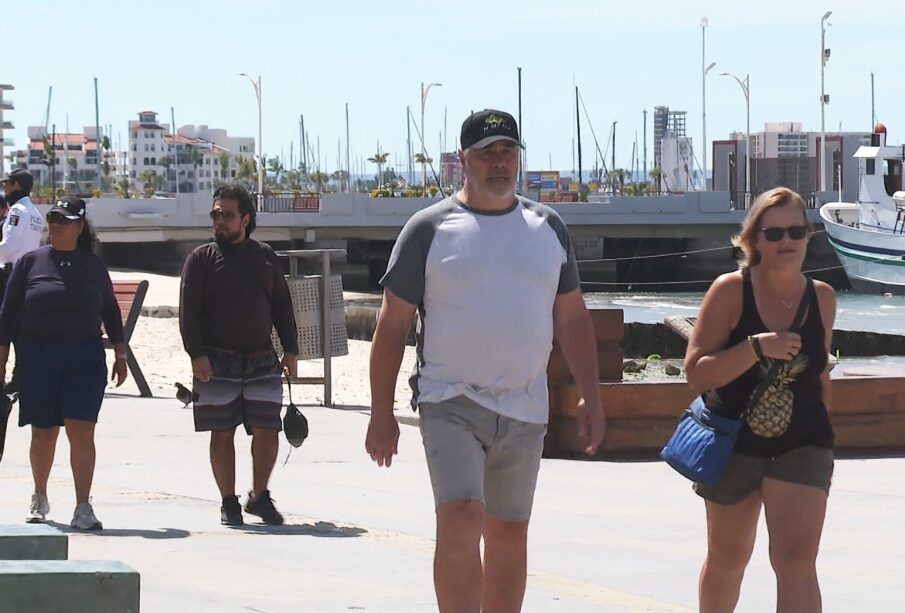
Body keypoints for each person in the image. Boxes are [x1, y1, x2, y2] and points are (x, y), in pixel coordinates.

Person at [367, 109, 606, 613]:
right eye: (487, 152)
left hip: (525, 408)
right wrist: (381, 413)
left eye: (508, 152)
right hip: (449, 400)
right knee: (459, 519)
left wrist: (590, 392)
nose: (499, 162)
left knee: (508, 535)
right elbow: (390, 328)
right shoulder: (428, 229)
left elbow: (572, 318)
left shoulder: (548, 227)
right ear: (463, 160)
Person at [684, 187, 836, 613]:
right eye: (774, 234)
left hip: (803, 443)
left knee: (797, 561)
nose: (786, 241)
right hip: (734, 442)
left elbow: (819, 371)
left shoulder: (822, 297)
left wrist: (825, 435)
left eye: (796, 231)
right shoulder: (730, 292)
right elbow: (695, 372)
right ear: (753, 240)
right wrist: (756, 348)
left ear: (808, 236)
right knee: (728, 558)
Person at [0, 197, 128, 530]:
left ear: (80, 227)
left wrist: (120, 351)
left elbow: (110, 310)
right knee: (43, 432)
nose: (56, 224)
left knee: (82, 431)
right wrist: (1, 361)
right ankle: (39, 495)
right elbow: (8, 315)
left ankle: (83, 506)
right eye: (53, 218)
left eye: (65, 220)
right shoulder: (30, 263)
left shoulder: (93, 265)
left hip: (84, 357)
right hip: (38, 356)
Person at [179, 184, 298, 527]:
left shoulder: (265, 256)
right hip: (215, 361)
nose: (219, 220)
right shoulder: (200, 259)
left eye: (227, 215)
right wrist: (196, 354)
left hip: (262, 358)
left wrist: (290, 350)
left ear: (245, 218)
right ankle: (228, 501)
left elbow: (281, 305)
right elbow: (188, 312)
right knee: (222, 430)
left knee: (267, 429)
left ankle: (259, 496)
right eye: (216, 214)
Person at [0, 168, 45, 394]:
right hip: (29, 275)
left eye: (7, 184)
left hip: (11, 275)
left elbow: (9, 246)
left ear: (16, 185)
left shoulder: (17, 210)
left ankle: (13, 379)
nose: (5, 188)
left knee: (8, 328)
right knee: (20, 331)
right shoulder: (35, 212)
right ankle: (20, 378)